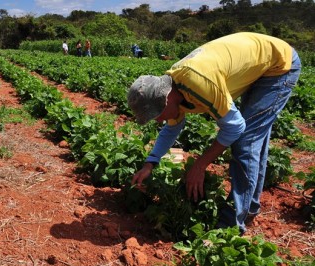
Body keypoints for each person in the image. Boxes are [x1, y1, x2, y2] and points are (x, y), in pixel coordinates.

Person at [128, 32, 301, 235]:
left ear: (166, 99)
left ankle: (230, 228)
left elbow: (235, 127)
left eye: (157, 114)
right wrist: (151, 163)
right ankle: (250, 207)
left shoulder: (197, 82)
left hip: (278, 65)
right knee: (254, 137)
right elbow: (172, 128)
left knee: (246, 140)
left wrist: (200, 165)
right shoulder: (174, 92)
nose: (158, 120)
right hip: (257, 63)